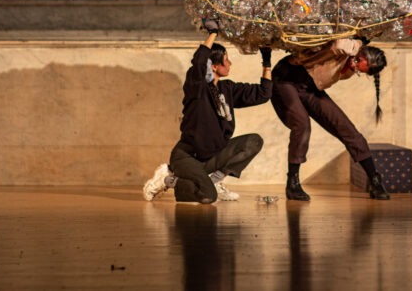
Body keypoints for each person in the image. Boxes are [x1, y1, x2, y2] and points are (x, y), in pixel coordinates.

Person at [143, 19, 273, 203]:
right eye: (226, 60)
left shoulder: (228, 89)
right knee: (207, 196)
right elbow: (198, 61)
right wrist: (213, 33)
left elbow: (263, 94)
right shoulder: (197, 87)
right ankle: (167, 179)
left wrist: (266, 61)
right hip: (187, 158)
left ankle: (214, 182)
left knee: (253, 141)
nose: (230, 64)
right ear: (214, 66)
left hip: (213, 156)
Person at [270, 37, 390, 201]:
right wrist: (357, 43)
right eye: (357, 62)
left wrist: (353, 60)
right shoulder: (347, 48)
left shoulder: (349, 70)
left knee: (346, 128)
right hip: (286, 78)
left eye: (359, 71)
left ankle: (375, 180)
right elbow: (339, 45)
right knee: (302, 125)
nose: (355, 69)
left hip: (310, 87)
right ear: (360, 54)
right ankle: (292, 183)